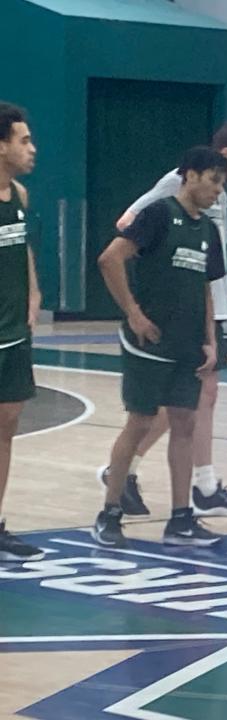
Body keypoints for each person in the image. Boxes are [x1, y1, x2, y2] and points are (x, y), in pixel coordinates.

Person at [98, 123, 227, 517]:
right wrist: (139, 304)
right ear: (224, 154)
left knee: (198, 402)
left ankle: (200, 487)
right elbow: (128, 221)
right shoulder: (175, 187)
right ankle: (124, 473)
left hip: (205, 310)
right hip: (168, 316)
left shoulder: (213, 201)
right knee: (168, 407)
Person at [92, 147, 227, 548]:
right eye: (213, 181)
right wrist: (133, 312)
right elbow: (109, 259)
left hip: (187, 344)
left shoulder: (207, 230)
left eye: (222, 184)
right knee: (139, 423)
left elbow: (207, 287)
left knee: (185, 424)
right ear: (189, 175)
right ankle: (109, 512)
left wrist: (209, 339)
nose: (218, 192)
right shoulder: (157, 214)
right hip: (149, 342)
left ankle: (181, 519)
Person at [0, 102, 43, 562]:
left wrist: (33, 292)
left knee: (6, 426)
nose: (33, 148)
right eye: (24, 140)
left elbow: (22, 245)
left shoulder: (20, 196)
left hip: (14, 331)